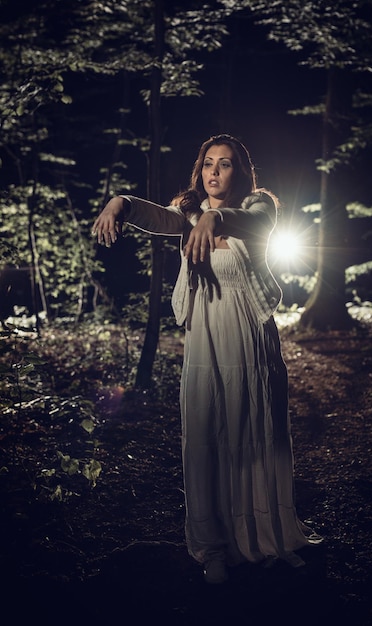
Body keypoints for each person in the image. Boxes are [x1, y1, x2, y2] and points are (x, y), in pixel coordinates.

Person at [92, 134, 322, 584]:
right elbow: (154, 215)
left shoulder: (260, 206)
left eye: (227, 163)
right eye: (208, 164)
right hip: (204, 340)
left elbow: (246, 222)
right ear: (199, 171)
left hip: (249, 340)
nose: (215, 171)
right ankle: (213, 547)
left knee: (253, 431)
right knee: (206, 433)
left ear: (241, 171)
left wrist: (214, 218)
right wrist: (120, 202)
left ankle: (262, 535)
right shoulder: (188, 214)